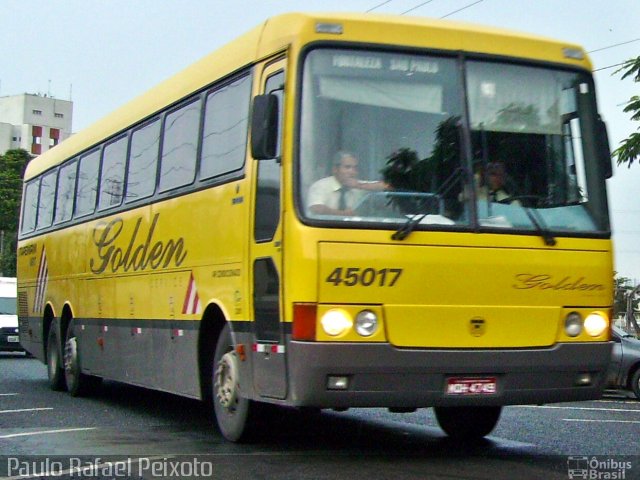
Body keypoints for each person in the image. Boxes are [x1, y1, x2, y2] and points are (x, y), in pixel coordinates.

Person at [307, 151, 387, 216]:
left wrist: (360, 186)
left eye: (355, 168)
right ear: (335, 169)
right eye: (347, 167)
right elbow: (316, 208)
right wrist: (342, 214)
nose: (352, 172)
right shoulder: (321, 186)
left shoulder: (359, 185)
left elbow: (387, 186)